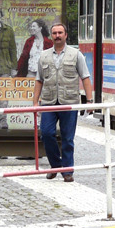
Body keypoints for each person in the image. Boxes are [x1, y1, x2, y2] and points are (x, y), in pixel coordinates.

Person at [32, 22, 93, 181]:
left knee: (67, 137)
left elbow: (85, 77)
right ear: (51, 36)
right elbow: (39, 80)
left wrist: (90, 101)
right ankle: (55, 165)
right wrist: (35, 103)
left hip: (69, 101)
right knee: (46, 133)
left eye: (60, 33)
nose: (57, 36)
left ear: (66, 35)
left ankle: (67, 171)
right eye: (54, 33)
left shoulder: (76, 54)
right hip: (49, 101)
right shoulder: (44, 55)